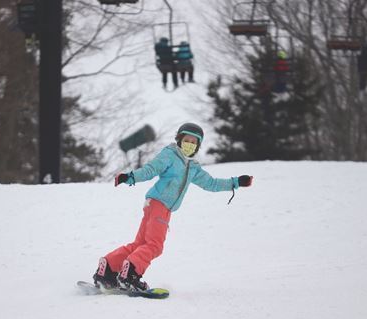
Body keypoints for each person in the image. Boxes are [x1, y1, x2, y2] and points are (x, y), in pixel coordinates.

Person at [92, 122, 254, 291]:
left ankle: (108, 268)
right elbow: (151, 169)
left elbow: (211, 183)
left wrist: (235, 182)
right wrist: (130, 177)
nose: (189, 144)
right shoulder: (170, 155)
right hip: (159, 204)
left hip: (156, 205)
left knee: (141, 244)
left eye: (194, 142)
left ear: (198, 145)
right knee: (155, 245)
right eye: (187, 140)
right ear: (179, 139)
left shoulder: (193, 167)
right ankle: (130, 274)